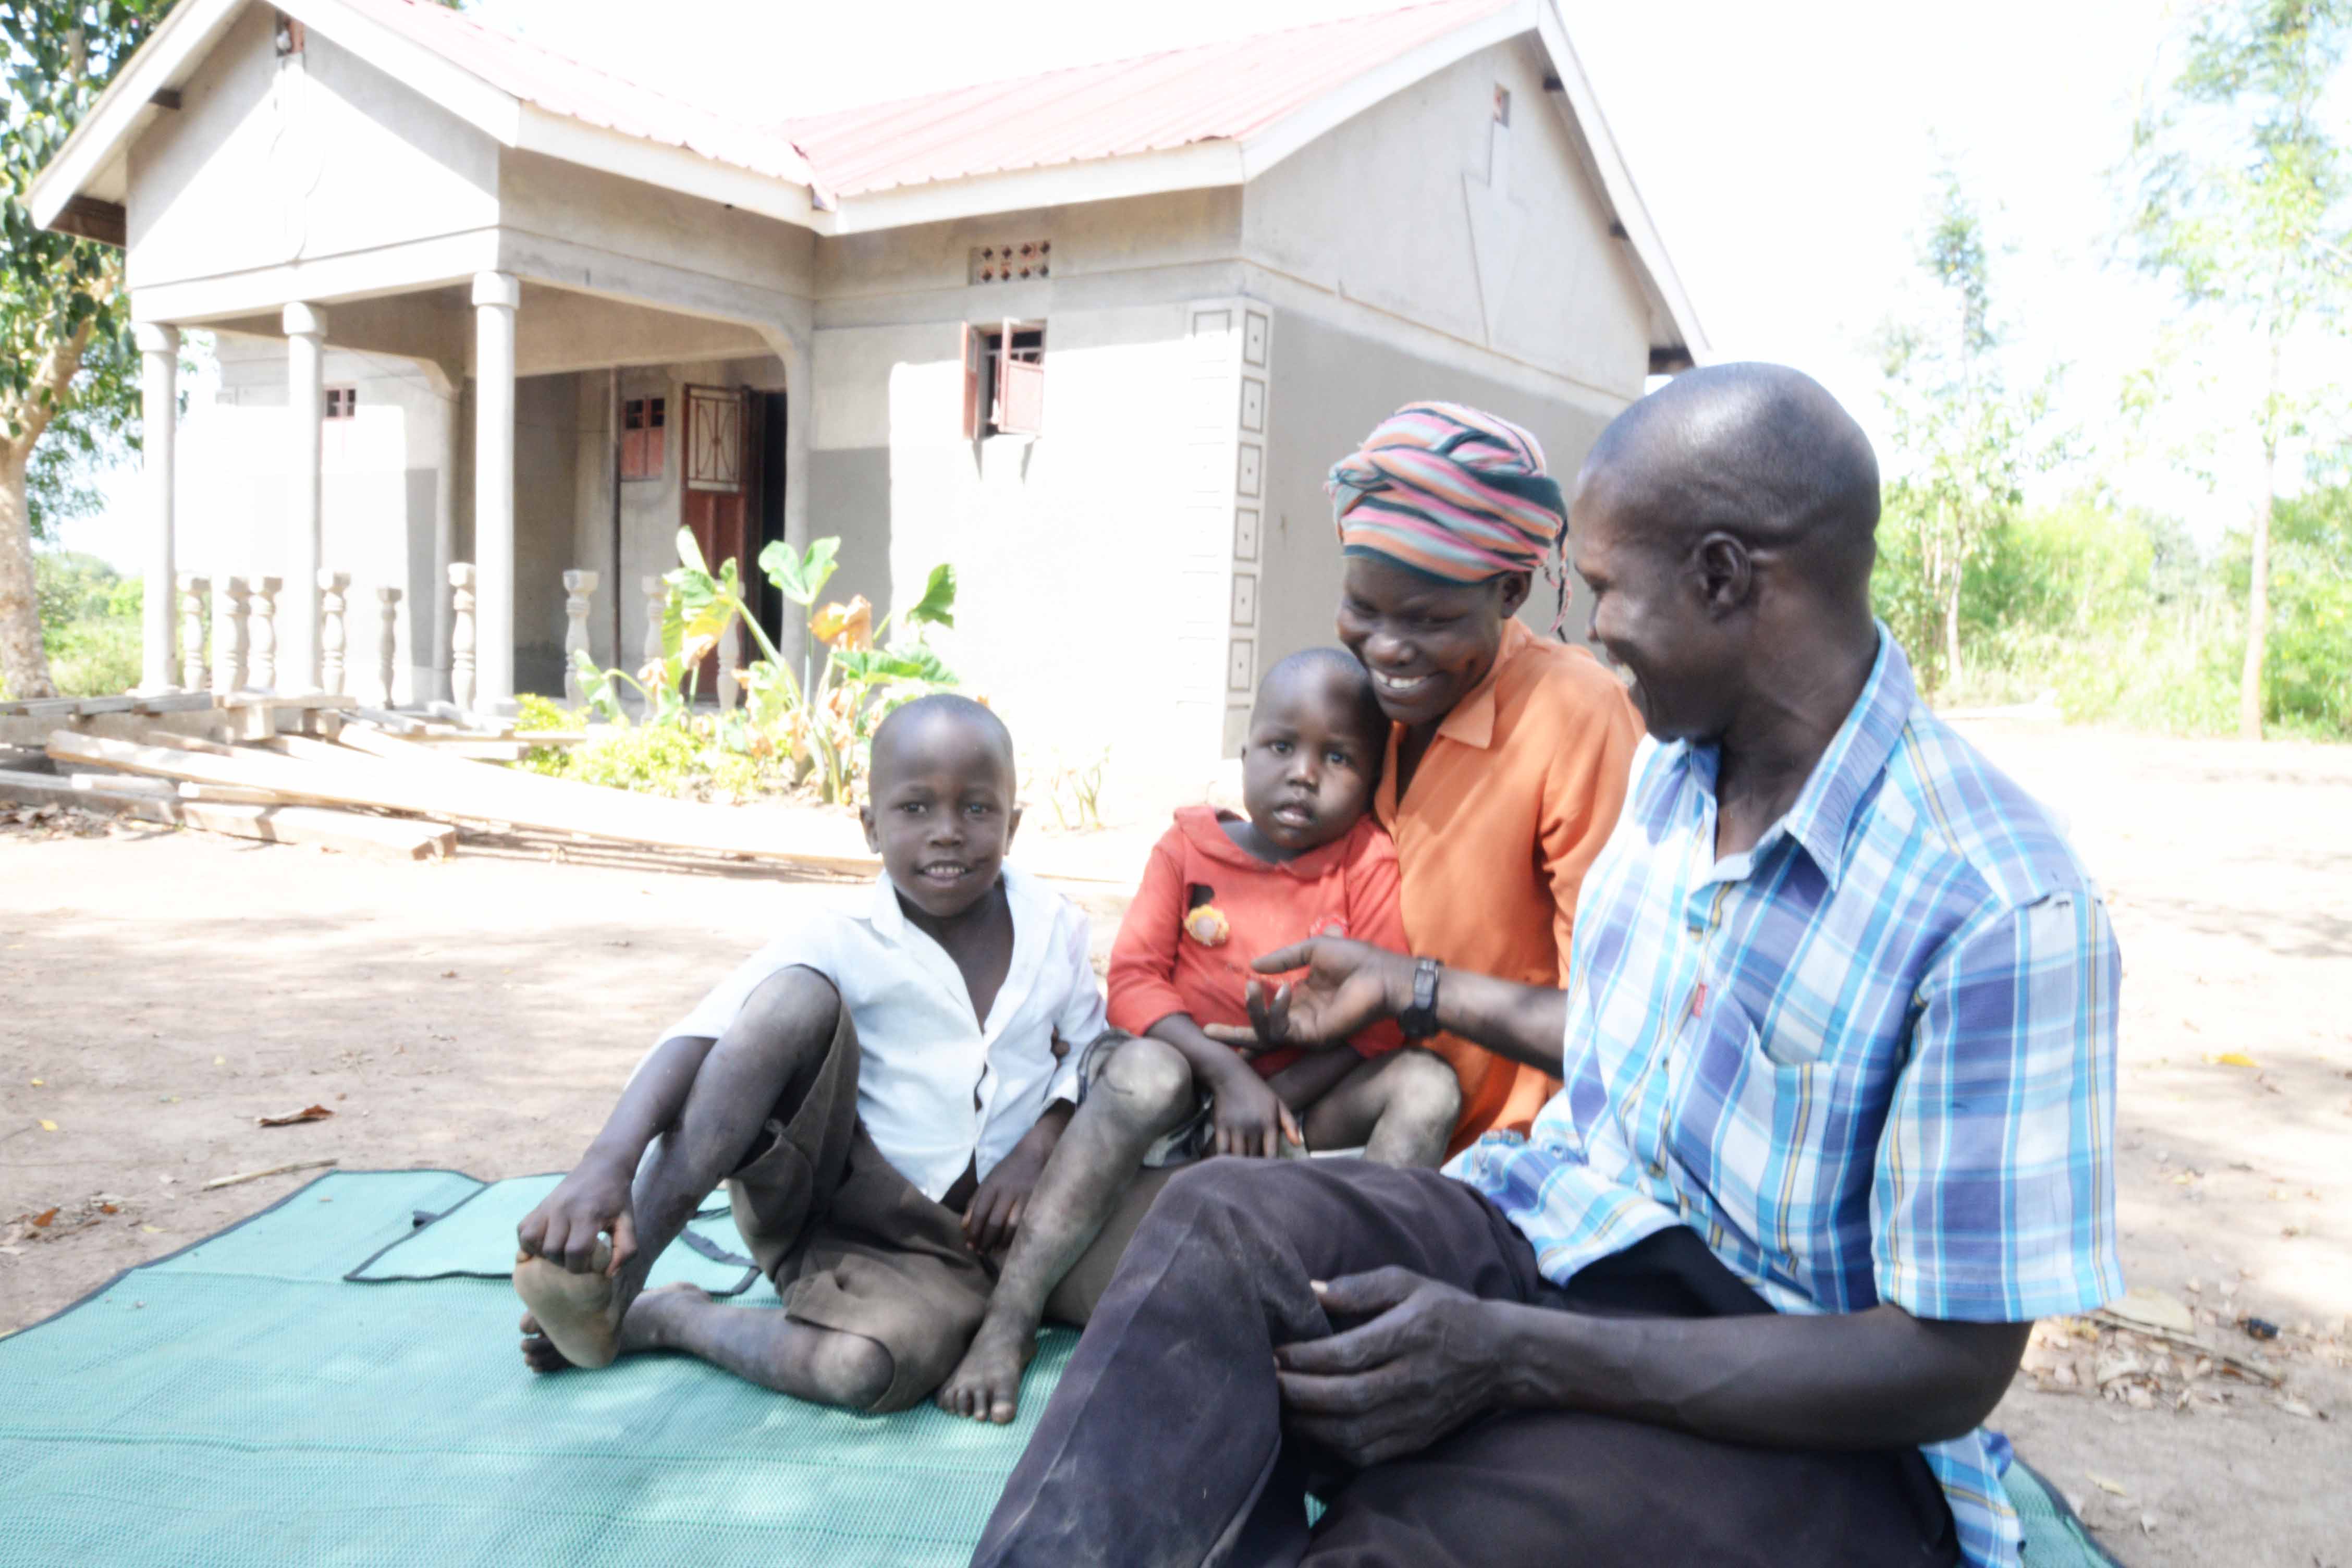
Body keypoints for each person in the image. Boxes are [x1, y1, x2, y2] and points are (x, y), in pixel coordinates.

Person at [972, 365, 2123, 1568]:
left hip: (1787, 1392)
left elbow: (1946, 1366)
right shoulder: (1685, 778)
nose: (1590, 627)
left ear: (1725, 577)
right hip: (1569, 1235)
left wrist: (1513, 1351)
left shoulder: (1995, 902)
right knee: (1220, 1228)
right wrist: (1415, 988)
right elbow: (1643, 1046)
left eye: (1611, 587)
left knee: (1413, 1538)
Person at [509, 693, 1128, 1415]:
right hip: (856, 1217)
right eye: (916, 809)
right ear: (870, 826)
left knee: (859, 1370)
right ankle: (620, 1277)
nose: (949, 834)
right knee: (790, 999)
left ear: (1014, 824)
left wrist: (1034, 1151)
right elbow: (704, 1034)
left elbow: (1086, 1055)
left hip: (980, 1247)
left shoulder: (1056, 930)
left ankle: (676, 1317)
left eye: (978, 810)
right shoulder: (841, 934)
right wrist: (605, 1163)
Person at [934, 648, 1460, 1425]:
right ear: (1244, 755)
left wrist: (1271, 1098)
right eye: (1282, 747)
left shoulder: (1368, 862)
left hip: (1295, 1108)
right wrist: (1228, 1077)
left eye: (1338, 757)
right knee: (1147, 1071)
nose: (1304, 773)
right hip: (1172, 1089)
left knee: (1429, 1084)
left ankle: (1342, 1322)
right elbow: (1135, 980)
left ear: (1372, 774)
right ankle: (1010, 1318)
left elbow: (1378, 1020)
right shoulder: (1188, 848)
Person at [1326, 401, 1641, 1153]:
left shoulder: (1575, 713)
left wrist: (1415, 987)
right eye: (1362, 609)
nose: (1388, 648)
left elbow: (1614, 1022)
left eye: (1429, 622)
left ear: (1510, 593)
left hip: (1512, 1157)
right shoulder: (1361, 707)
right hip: (1363, 1116)